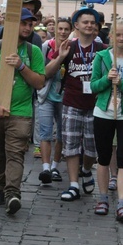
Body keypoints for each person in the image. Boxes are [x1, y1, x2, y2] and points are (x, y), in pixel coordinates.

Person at [0, 8, 45, 215]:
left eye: (30, 24)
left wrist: (21, 66)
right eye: (24, 23)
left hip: (21, 112)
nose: (27, 28)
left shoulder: (34, 52)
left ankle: (12, 194)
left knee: (15, 153)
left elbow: (40, 83)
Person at [46, 7, 106, 202]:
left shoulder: (102, 50)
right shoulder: (68, 46)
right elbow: (47, 72)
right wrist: (61, 57)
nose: (89, 25)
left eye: (92, 22)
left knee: (91, 148)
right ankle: (73, 185)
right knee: (70, 145)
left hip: (96, 105)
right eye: (85, 22)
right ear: (77, 26)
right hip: (71, 102)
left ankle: (86, 170)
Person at [90, 20, 123, 222]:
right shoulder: (102, 57)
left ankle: (122, 204)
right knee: (103, 156)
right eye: (118, 35)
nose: (121, 39)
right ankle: (102, 198)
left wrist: (122, 83)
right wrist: (106, 79)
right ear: (111, 36)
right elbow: (94, 86)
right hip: (104, 111)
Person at [36, 17, 72, 184]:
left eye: (66, 29)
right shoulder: (46, 47)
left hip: (65, 96)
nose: (63, 32)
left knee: (62, 133)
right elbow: (43, 72)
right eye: (60, 29)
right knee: (45, 132)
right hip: (47, 95)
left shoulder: (74, 47)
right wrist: (58, 58)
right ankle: (45, 167)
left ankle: (55, 166)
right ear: (55, 29)